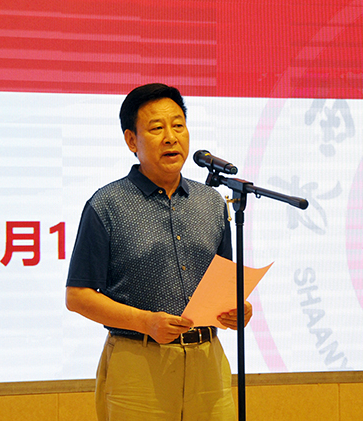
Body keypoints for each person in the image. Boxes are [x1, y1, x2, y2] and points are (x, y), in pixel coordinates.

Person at [65, 83, 253, 421]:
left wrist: (237, 309)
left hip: (208, 364)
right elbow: (77, 297)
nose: (170, 137)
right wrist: (145, 322)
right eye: (156, 128)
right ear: (131, 140)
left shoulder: (212, 203)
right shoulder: (107, 205)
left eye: (178, 125)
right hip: (138, 365)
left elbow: (223, 285)